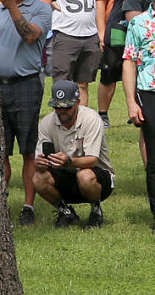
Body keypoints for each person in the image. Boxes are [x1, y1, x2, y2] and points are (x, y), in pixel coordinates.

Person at [0, 0, 51, 225]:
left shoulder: (41, 9)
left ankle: (28, 206)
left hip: (26, 83)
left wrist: (13, 7)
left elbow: (30, 35)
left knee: (28, 149)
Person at [34, 79, 111, 227]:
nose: (61, 111)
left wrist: (68, 161)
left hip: (98, 176)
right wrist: (40, 164)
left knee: (85, 175)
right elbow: (40, 156)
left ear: (78, 102)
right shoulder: (46, 123)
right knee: (38, 178)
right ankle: (66, 212)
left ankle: (96, 210)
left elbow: (93, 160)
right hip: (65, 174)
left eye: (67, 107)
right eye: (57, 107)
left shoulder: (91, 119)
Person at [98, 0, 144, 123]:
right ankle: (103, 115)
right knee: (109, 74)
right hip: (114, 30)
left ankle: (136, 109)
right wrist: (101, 32)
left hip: (139, 31)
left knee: (138, 70)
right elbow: (100, 1)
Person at [119, 0, 155, 224]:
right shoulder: (138, 23)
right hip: (149, 91)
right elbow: (129, 62)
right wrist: (132, 102)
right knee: (154, 158)